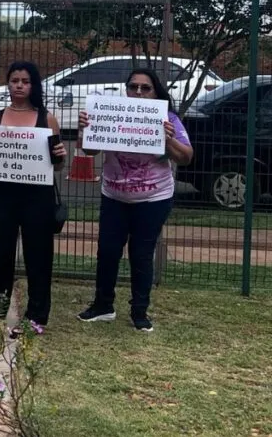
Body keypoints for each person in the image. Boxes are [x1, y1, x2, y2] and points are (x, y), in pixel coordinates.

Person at [76, 68, 193, 332]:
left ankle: (140, 312)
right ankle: (103, 305)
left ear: (156, 92)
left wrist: (169, 140)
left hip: (153, 199)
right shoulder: (111, 114)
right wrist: (86, 129)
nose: (138, 92)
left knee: (141, 254)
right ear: (126, 90)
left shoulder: (168, 119)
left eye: (145, 88)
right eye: (133, 87)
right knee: (107, 252)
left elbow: (186, 157)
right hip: (114, 196)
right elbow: (90, 149)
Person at [0, 61, 66, 337]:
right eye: (15, 80)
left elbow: (57, 165)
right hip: (3, 195)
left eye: (25, 81)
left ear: (34, 86)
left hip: (37, 197)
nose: (19, 85)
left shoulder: (47, 119)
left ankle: (36, 317)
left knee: (38, 256)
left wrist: (61, 158)